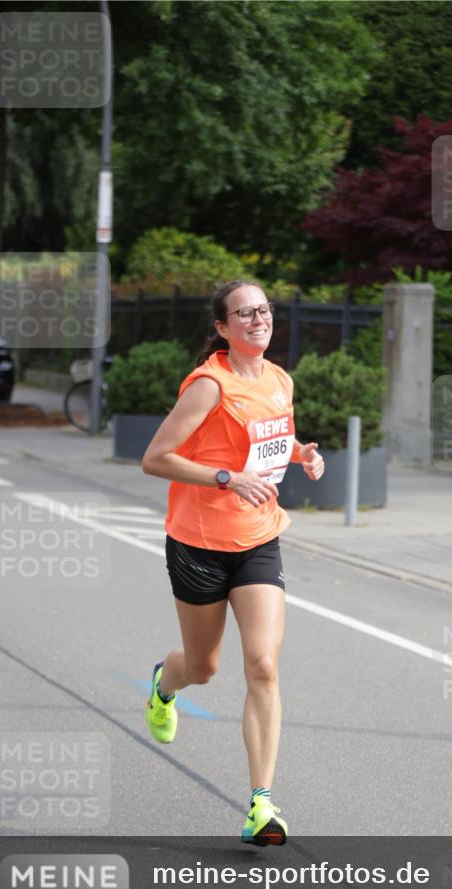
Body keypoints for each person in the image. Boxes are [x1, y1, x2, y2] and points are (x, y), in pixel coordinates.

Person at [141, 279, 324, 845]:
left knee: (264, 665)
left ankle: (260, 806)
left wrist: (300, 454)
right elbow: (156, 458)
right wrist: (225, 477)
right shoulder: (208, 385)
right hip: (198, 542)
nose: (257, 320)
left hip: (258, 538)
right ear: (222, 328)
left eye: (264, 311)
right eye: (243, 314)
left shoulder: (278, 379)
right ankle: (164, 685)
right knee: (203, 666)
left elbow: (266, 443)